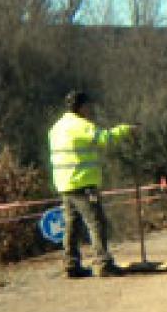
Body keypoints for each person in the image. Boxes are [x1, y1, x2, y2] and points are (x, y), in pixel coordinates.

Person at [48, 91, 134, 278]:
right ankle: (103, 263)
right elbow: (105, 139)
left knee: (72, 225)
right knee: (96, 222)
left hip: (64, 184)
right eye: (88, 106)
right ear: (81, 107)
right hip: (82, 181)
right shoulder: (81, 126)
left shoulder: (57, 127)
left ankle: (70, 264)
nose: (91, 110)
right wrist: (124, 130)